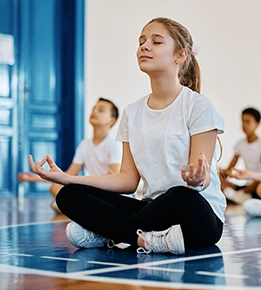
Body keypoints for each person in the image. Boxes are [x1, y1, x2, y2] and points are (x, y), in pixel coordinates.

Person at [28, 17, 226, 255]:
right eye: (141, 41)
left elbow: (200, 180)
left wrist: (197, 180)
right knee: (69, 195)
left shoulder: (198, 106)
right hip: (152, 212)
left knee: (181, 195)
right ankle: (144, 240)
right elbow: (127, 180)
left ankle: (108, 232)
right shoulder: (132, 112)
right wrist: (68, 179)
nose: (144, 46)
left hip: (196, 215)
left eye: (156, 41)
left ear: (180, 55)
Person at [19, 98, 121, 213]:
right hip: (93, 189)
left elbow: (114, 175)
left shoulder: (114, 143)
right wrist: (38, 177)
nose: (94, 111)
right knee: (55, 187)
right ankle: (83, 207)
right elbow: (67, 175)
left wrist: (85, 182)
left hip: (109, 192)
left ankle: (76, 207)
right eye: (94, 108)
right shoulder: (84, 144)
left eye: (100, 110)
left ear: (111, 121)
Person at [219, 107, 261, 204]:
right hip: (245, 183)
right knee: (217, 178)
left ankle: (238, 196)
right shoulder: (240, 144)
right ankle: (239, 196)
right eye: (243, 121)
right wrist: (220, 172)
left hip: (257, 183)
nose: (244, 125)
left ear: (257, 124)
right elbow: (230, 168)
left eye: (248, 122)